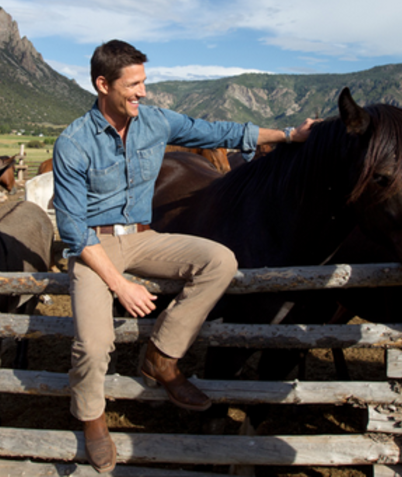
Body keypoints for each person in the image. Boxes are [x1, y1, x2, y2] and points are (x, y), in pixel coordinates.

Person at [52, 39, 316, 473]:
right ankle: (92, 419)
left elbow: (223, 133)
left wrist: (289, 135)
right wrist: (120, 285)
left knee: (220, 261)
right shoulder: (74, 142)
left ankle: (162, 355)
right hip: (93, 250)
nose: (142, 92)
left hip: (142, 237)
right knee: (94, 345)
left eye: (144, 82)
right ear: (103, 84)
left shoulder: (155, 122)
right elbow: (73, 231)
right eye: (133, 84)